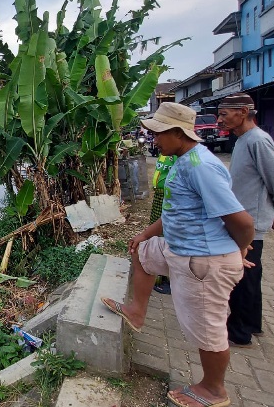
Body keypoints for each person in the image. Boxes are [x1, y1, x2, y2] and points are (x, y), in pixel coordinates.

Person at [100, 102, 254, 407]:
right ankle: (136, 312)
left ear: (178, 133)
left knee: (207, 328)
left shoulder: (201, 167)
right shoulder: (183, 160)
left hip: (201, 262)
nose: (154, 140)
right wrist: (145, 233)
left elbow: (242, 221)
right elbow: (178, 210)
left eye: (158, 134)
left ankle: (213, 390)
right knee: (143, 252)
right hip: (179, 248)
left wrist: (238, 248)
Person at [217, 93, 274, 348]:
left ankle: (239, 331)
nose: (220, 119)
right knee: (251, 274)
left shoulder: (257, 141)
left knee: (242, 275)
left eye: (224, 114)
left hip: (250, 223)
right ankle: (252, 323)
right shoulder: (242, 140)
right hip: (244, 219)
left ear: (242, 112)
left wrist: (272, 212)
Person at [151, 154, 176, 294]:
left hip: (168, 197)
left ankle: (167, 279)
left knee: (165, 234)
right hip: (159, 196)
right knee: (156, 233)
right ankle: (158, 275)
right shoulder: (164, 153)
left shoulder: (177, 156)